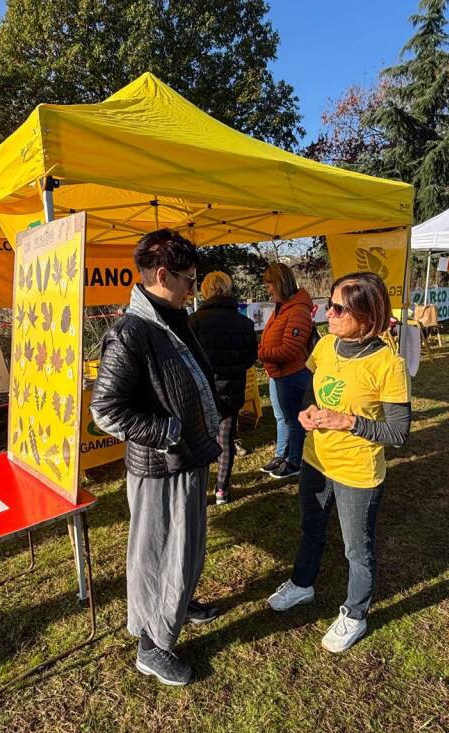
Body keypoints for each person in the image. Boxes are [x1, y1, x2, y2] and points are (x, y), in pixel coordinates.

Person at [90, 229, 221, 686]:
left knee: (185, 551)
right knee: (159, 554)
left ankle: (177, 606)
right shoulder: (132, 332)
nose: (193, 289)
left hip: (185, 457)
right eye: (189, 279)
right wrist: (167, 431)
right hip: (162, 465)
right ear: (162, 275)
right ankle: (153, 645)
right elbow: (105, 410)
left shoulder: (170, 318)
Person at [267, 272, 411, 653]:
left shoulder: (388, 363)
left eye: (337, 308)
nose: (325, 312)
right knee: (310, 528)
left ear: (366, 316)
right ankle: (302, 585)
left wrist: (346, 421)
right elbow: (310, 393)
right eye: (327, 304)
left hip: (357, 472)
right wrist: (305, 413)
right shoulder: (327, 346)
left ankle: (355, 613)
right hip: (316, 460)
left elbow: (398, 433)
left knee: (356, 548)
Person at [189, 271, 258, 505]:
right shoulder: (245, 323)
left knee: (199, 442)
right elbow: (251, 358)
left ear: (205, 291)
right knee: (225, 440)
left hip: (202, 392)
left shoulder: (194, 322)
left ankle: (198, 491)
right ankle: (222, 490)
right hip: (232, 390)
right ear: (229, 289)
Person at [258, 263, 315, 480]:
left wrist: (262, 354)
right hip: (279, 374)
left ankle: (294, 460)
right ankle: (281, 455)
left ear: (280, 283)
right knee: (282, 417)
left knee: (293, 419)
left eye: (270, 284)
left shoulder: (298, 310)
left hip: (291, 373)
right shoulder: (282, 307)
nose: (268, 290)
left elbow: (291, 349)